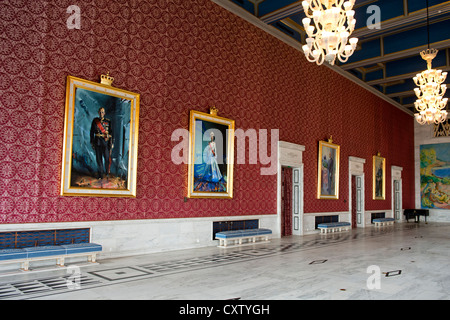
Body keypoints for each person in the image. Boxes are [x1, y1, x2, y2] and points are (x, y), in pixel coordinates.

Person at [90, 107, 114, 179]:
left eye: (102, 112)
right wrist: (92, 142)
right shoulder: (95, 121)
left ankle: (106, 173)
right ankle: (100, 174)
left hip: (106, 143)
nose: (101, 113)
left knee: (106, 159)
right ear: (98, 113)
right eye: (100, 112)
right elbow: (92, 132)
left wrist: (111, 142)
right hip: (97, 142)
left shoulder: (108, 121)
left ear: (104, 113)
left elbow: (111, 133)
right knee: (98, 159)